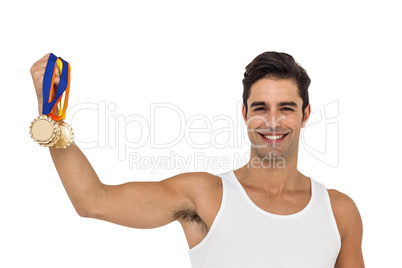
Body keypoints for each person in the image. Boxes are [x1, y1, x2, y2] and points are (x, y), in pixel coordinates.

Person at [30, 52, 364, 267]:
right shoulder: (204, 196)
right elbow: (93, 201)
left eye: (286, 108)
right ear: (244, 113)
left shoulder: (338, 212)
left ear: (305, 114)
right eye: (260, 108)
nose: (272, 122)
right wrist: (52, 114)